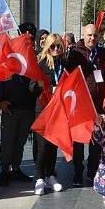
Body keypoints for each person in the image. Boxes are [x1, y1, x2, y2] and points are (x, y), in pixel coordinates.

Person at [0, 22, 40, 187]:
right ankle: (5, 170)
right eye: (25, 35)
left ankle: (16, 168)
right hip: (9, 106)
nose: (28, 39)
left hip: (27, 107)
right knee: (7, 141)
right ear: (19, 34)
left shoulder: (35, 55)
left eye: (31, 37)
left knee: (20, 142)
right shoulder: (7, 51)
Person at [67, 23, 105, 185]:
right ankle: (78, 173)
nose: (92, 38)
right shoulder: (75, 54)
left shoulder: (103, 53)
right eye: (89, 35)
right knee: (78, 142)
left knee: (96, 142)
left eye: (95, 36)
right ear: (83, 35)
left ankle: (92, 172)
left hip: (98, 105)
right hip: (80, 106)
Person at [34, 33, 66, 195]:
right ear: (47, 46)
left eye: (58, 46)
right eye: (52, 46)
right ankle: (39, 177)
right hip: (43, 109)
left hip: (59, 110)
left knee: (53, 144)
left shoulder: (65, 63)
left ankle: (51, 175)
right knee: (43, 145)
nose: (55, 49)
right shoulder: (40, 63)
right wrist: (42, 87)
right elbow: (31, 87)